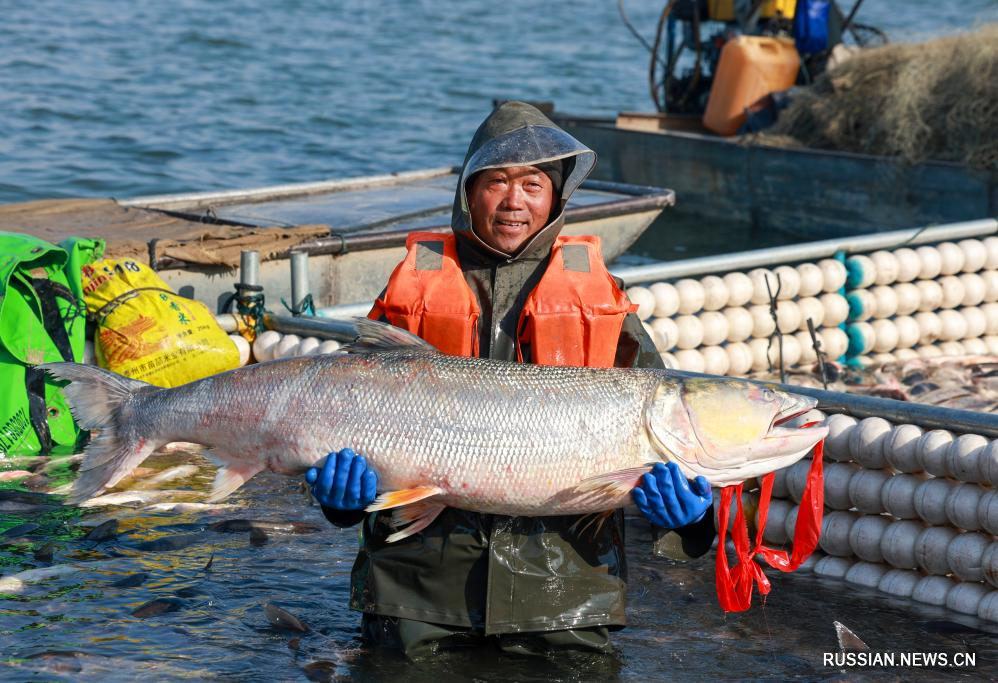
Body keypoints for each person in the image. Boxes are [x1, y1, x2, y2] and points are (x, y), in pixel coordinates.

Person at [307, 102, 715, 658]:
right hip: (415, 600)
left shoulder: (605, 301)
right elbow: (342, 433)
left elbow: (666, 431)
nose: (514, 201)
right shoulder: (411, 291)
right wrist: (340, 502)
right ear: (468, 193)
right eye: (497, 181)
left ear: (556, 198)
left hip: (567, 601)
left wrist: (695, 520)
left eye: (533, 183)